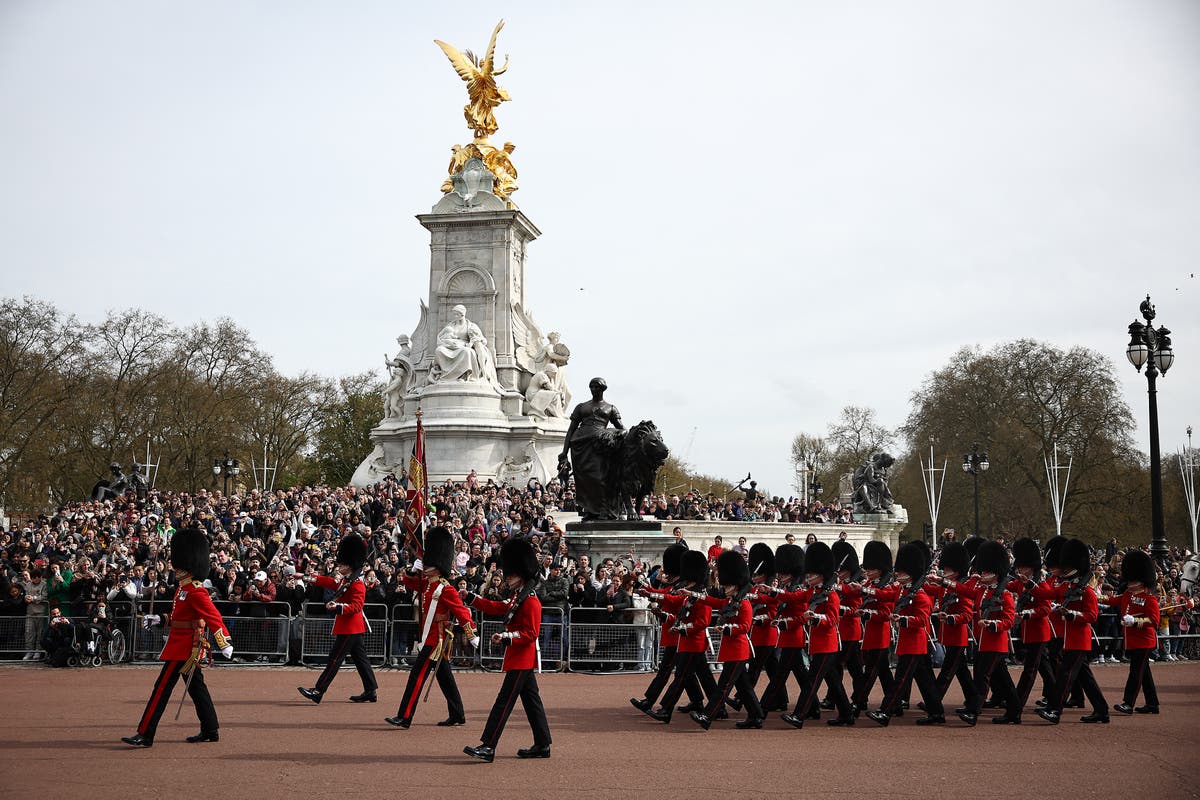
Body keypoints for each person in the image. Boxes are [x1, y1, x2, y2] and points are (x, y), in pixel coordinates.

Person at [122, 528, 233, 747]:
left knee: (161, 687)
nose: (175, 566)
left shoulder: (196, 590)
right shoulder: (182, 589)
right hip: (180, 643)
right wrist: (160, 619)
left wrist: (224, 642)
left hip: (185, 647)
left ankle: (145, 733)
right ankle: (210, 729)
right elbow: (178, 617)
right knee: (196, 688)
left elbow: (213, 616)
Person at [462, 539, 552, 762]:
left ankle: (488, 745)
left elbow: (531, 634)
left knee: (503, 702)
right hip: (519, 659)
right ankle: (542, 744)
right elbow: (498, 607)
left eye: (511, 575)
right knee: (532, 703)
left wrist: (506, 637)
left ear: (521, 575)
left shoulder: (530, 601)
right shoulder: (517, 597)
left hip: (522, 658)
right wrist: (473, 599)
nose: (507, 578)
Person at [386, 527, 479, 729]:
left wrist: (471, 633)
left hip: (436, 640)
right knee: (445, 678)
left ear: (436, 566)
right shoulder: (428, 584)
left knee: (416, 676)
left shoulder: (446, 588)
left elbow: (461, 611)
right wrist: (414, 568)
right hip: (430, 637)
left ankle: (405, 716)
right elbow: (409, 582)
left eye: (428, 563)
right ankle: (457, 714)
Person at [866, 543, 945, 726]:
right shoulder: (902, 590)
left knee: (900, 681)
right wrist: (864, 590)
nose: (897, 575)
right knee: (925, 681)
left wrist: (902, 620)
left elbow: (922, 620)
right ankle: (937, 713)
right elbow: (883, 594)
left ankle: (885, 712)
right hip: (908, 643)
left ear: (911, 573)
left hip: (914, 644)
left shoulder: (920, 596)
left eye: (901, 573)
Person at [297, 534, 378, 705]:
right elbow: (328, 582)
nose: (339, 566)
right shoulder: (347, 580)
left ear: (350, 565)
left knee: (334, 660)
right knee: (361, 660)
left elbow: (356, 607)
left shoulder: (357, 584)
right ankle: (370, 690)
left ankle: (318, 691)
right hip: (351, 628)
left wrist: (338, 607)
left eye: (342, 564)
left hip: (350, 628)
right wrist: (306, 577)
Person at [1036, 539, 1110, 724]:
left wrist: (1071, 614)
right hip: (1069, 639)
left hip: (1079, 640)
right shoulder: (1067, 587)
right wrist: (1030, 586)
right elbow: (1047, 594)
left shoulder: (1087, 592)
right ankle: (1102, 710)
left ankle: (1055, 710)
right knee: (1086, 679)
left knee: (1065, 675)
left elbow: (1092, 616)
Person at [688, 551, 765, 729]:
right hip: (732, 650)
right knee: (744, 687)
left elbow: (745, 626)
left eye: (727, 585)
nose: (724, 588)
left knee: (723, 687)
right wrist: (695, 595)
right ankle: (756, 715)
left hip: (738, 650)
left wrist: (727, 628)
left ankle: (707, 716)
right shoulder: (730, 602)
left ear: (735, 585)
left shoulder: (744, 603)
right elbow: (712, 602)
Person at [781, 542, 854, 728]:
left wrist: (814, 618)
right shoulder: (814, 591)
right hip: (818, 644)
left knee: (812, 683)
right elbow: (797, 598)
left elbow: (832, 620)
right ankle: (847, 715)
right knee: (834, 684)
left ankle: (799, 715)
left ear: (821, 575)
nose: (808, 577)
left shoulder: (831, 595)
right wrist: (776, 593)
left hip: (827, 645)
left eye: (811, 574)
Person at [645, 550, 720, 723]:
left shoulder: (701, 595)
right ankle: (717, 706)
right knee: (695, 676)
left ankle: (666, 710)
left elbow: (703, 621)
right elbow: (680, 613)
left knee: (680, 678)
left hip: (693, 642)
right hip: (686, 642)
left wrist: (682, 629)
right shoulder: (689, 595)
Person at [953, 541, 1020, 726]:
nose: (982, 573)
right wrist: (945, 582)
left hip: (995, 642)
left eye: (985, 571)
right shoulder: (982, 591)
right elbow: (965, 591)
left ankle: (973, 711)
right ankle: (1015, 710)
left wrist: (991, 624)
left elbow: (1008, 621)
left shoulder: (1004, 595)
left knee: (981, 676)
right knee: (1003, 680)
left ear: (996, 572)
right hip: (983, 642)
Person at [632, 544, 704, 713]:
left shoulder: (681, 588)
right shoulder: (675, 585)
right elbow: (663, 593)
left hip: (678, 634)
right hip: (674, 634)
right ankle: (699, 702)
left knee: (670, 672)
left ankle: (650, 701)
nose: (665, 573)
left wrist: (651, 594)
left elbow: (671, 599)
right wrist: (644, 585)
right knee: (687, 673)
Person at [1100, 549, 1160, 715]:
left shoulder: (1150, 599)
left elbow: (1154, 621)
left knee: (1135, 673)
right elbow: (1113, 599)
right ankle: (1152, 704)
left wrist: (1135, 622)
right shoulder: (1128, 594)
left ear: (1141, 581)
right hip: (1133, 641)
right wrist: (1095, 595)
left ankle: (1128, 703)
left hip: (1144, 642)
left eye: (1132, 579)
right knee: (1144, 673)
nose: (1129, 582)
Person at [924, 541, 979, 711]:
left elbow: (967, 615)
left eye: (947, 570)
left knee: (947, 672)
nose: (944, 572)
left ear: (956, 571)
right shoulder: (945, 587)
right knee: (962, 672)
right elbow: (929, 590)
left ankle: (933, 701)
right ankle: (973, 699)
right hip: (947, 635)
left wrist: (950, 618)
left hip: (957, 635)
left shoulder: (961, 588)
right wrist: (918, 578)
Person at [848, 541, 898, 717]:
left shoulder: (888, 587)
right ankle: (896, 703)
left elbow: (886, 612)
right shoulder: (870, 585)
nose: (868, 572)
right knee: (884, 673)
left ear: (880, 569)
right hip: (870, 635)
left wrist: (868, 613)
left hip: (880, 635)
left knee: (869, 673)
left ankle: (857, 701)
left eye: (871, 569)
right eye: (867, 569)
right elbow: (858, 593)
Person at [1008, 537, 1055, 710]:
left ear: (1032, 568)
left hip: (1038, 632)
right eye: (1019, 567)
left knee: (1030, 670)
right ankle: (1055, 697)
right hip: (1028, 632)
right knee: (1044, 668)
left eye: (1024, 567)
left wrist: (1027, 614)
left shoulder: (1041, 585)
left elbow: (1045, 609)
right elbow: (1008, 586)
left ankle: (1017, 703)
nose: (1020, 570)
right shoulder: (1021, 584)